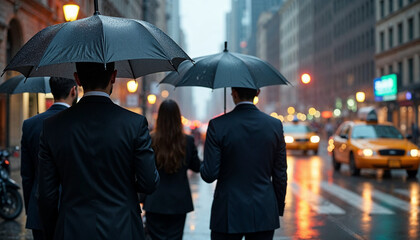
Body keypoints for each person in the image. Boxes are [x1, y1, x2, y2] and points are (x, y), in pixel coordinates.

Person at [37, 62, 160, 240]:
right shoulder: (135, 124)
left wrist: (54, 232)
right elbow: (149, 182)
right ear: (113, 76)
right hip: (122, 227)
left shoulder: (52, 126)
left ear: (77, 79)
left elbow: (46, 195)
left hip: (72, 228)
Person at [201, 87, 287, 240]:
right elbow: (280, 174)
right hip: (264, 210)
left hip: (228, 210)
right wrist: (277, 208)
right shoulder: (275, 125)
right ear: (258, 93)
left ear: (233, 93)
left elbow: (209, 174)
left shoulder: (217, 125)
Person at [21, 77, 78, 240]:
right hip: (73, 210)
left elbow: (27, 176)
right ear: (73, 91)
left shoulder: (30, 124)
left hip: (38, 211)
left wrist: (31, 208)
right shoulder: (79, 121)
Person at [143, 99, 201, 240]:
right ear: (177, 117)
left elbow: (144, 169)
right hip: (179, 202)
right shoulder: (187, 141)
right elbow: (197, 166)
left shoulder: (150, 139)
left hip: (155, 201)